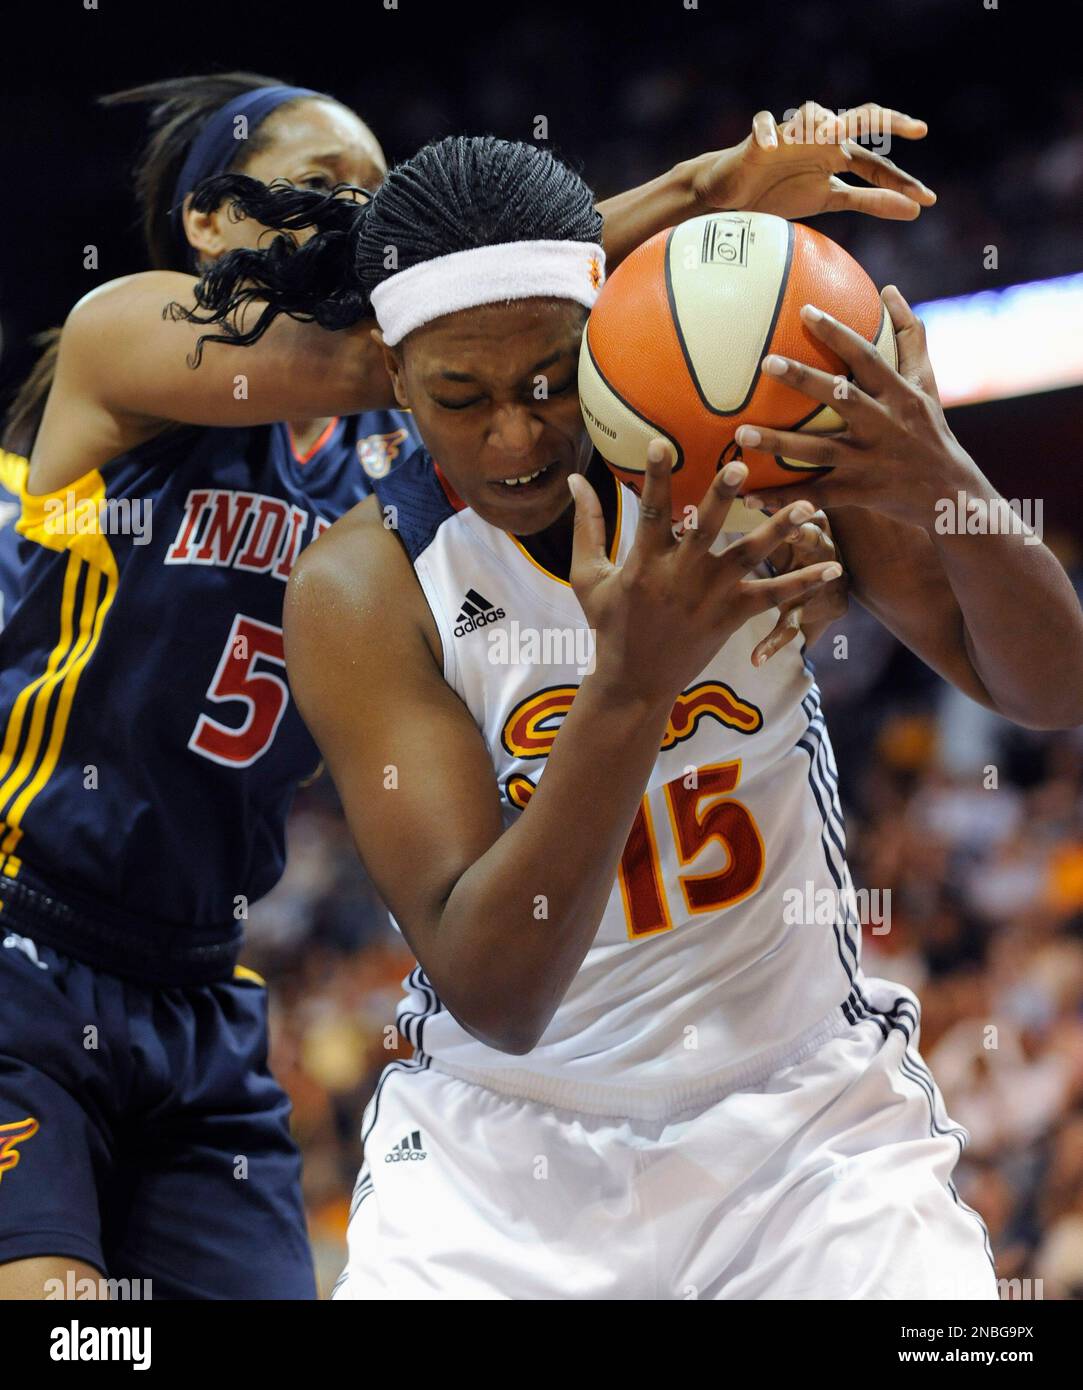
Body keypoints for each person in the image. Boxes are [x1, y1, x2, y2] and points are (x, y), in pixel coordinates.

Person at [0, 87, 932, 1298]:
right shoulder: (123, 340)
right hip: (26, 939)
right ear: (214, 222)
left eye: (380, 186)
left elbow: (497, 355)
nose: (368, 209)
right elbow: (405, 336)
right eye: (328, 180)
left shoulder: (386, 464)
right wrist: (695, 193)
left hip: (204, 980)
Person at [183, 133, 1083, 1299]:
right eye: (462, 397)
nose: (516, 435)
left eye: (552, 381)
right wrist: (627, 687)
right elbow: (497, 993)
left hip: (803, 1123)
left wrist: (941, 477)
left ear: (604, 332)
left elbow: (1049, 689)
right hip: (501, 1156)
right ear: (397, 379)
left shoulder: (746, 458)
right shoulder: (363, 586)